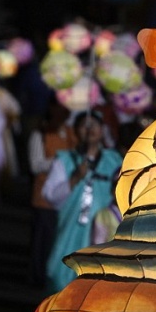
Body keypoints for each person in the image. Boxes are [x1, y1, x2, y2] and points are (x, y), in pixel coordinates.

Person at [43, 111, 122, 292]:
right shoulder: (64, 159)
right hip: (70, 232)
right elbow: (50, 195)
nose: (90, 129)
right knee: (59, 279)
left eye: (95, 124)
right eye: (84, 125)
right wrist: (74, 178)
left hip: (104, 232)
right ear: (76, 131)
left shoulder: (114, 160)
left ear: (102, 130)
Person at [27, 101, 76, 286]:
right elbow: (35, 164)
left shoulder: (72, 133)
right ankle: (37, 276)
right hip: (44, 197)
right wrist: (59, 161)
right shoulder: (40, 134)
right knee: (41, 240)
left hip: (66, 198)